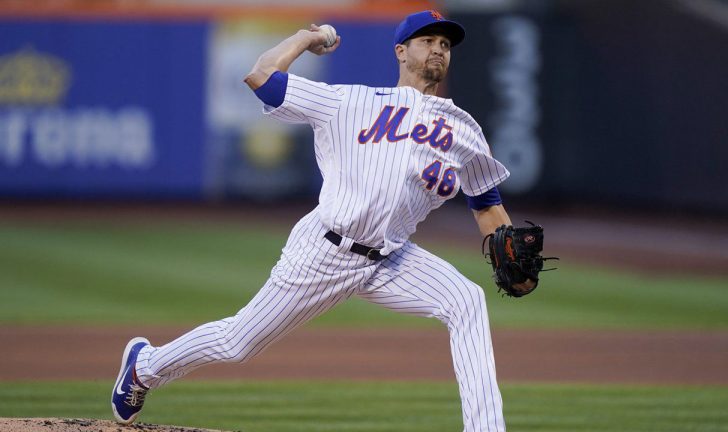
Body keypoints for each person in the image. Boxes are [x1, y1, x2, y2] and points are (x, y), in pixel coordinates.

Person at [111, 10, 535, 431]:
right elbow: (261, 77)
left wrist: (509, 251)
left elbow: (485, 202)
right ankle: (145, 366)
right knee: (237, 342)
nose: (439, 50)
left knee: (466, 301)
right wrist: (302, 39)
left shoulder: (463, 128)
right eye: (428, 41)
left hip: (389, 258)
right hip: (324, 251)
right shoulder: (348, 101)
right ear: (401, 52)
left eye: (445, 44)